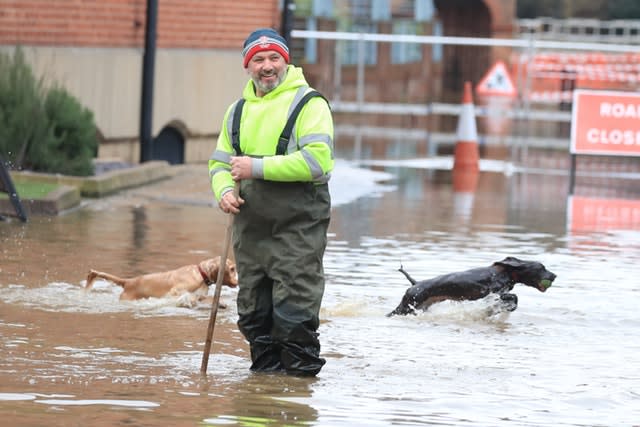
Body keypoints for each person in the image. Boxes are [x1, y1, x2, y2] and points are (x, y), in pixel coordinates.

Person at [208, 28, 334, 376]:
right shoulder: (236, 111)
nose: (267, 66)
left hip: (298, 230)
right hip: (251, 232)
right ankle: (260, 400)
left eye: (273, 58)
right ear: (247, 66)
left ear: (286, 60)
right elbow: (219, 164)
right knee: (254, 317)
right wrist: (224, 192)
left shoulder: (310, 104)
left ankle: (296, 398)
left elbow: (317, 162)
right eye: (258, 59)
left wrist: (255, 167)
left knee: (293, 317)